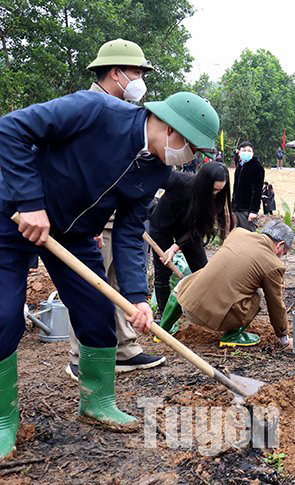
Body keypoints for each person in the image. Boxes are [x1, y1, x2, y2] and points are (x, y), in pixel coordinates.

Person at [0, 89, 219, 456]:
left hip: (74, 235)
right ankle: (3, 420)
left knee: (98, 311)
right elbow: (10, 129)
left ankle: (97, 401)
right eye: (192, 148)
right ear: (170, 128)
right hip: (15, 214)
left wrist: (137, 298)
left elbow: (131, 232)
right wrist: (31, 202)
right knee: (4, 315)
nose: (191, 157)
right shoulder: (95, 111)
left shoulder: (156, 170)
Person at [64, 38, 165, 382]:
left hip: (117, 217)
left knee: (121, 283)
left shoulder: (128, 114)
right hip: (88, 219)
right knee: (90, 285)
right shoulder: (89, 109)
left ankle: (124, 347)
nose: (140, 79)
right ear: (115, 72)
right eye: (136, 72)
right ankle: (80, 354)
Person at [157, 221, 293, 347]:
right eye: (284, 253)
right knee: (258, 292)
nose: (280, 256)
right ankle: (232, 336)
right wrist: (283, 337)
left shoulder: (238, 233)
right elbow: (276, 303)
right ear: (280, 245)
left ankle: (163, 330)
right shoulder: (273, 264)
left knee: (190, 280)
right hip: (216, 320)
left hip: (187, 305)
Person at [150, 162, 233, 316]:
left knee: (202, 270)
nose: (215, 194)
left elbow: (199, 229)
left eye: (219, 190)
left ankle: (210, 311)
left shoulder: (217, 197)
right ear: (204, 183)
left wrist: (176, 247)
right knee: (163, 272)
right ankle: (164, 317)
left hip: (189, 231)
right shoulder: (180, 181)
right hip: (162, 226)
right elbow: (152, 179)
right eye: (213, 189)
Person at [232, 142, 264, 231]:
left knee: (249, 234)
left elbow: (257, 191)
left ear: (252, 153)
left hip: (247, 210)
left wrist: (254, 211)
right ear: (239, 153)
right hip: (237, 208)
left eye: (249, 151)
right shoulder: (240, 167)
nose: (246, 152)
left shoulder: (256, 167)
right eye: (244, 150)